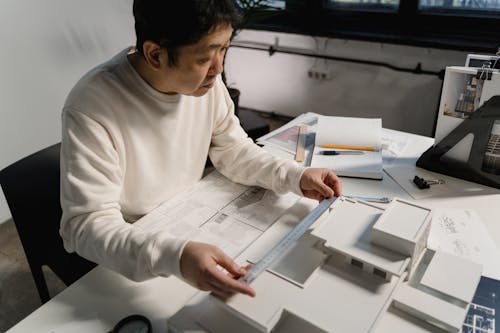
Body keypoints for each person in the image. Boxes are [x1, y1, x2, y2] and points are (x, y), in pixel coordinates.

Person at [60, 0, 342, 299]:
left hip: (193, 219)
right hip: (137, 244)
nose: (219, 68)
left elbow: (234, 150)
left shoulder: (205, 85)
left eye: (224, 49)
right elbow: (85, 226)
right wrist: (175, 256)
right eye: (205, 57)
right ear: (156, 54)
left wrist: (294, 176)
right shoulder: (92, 105)